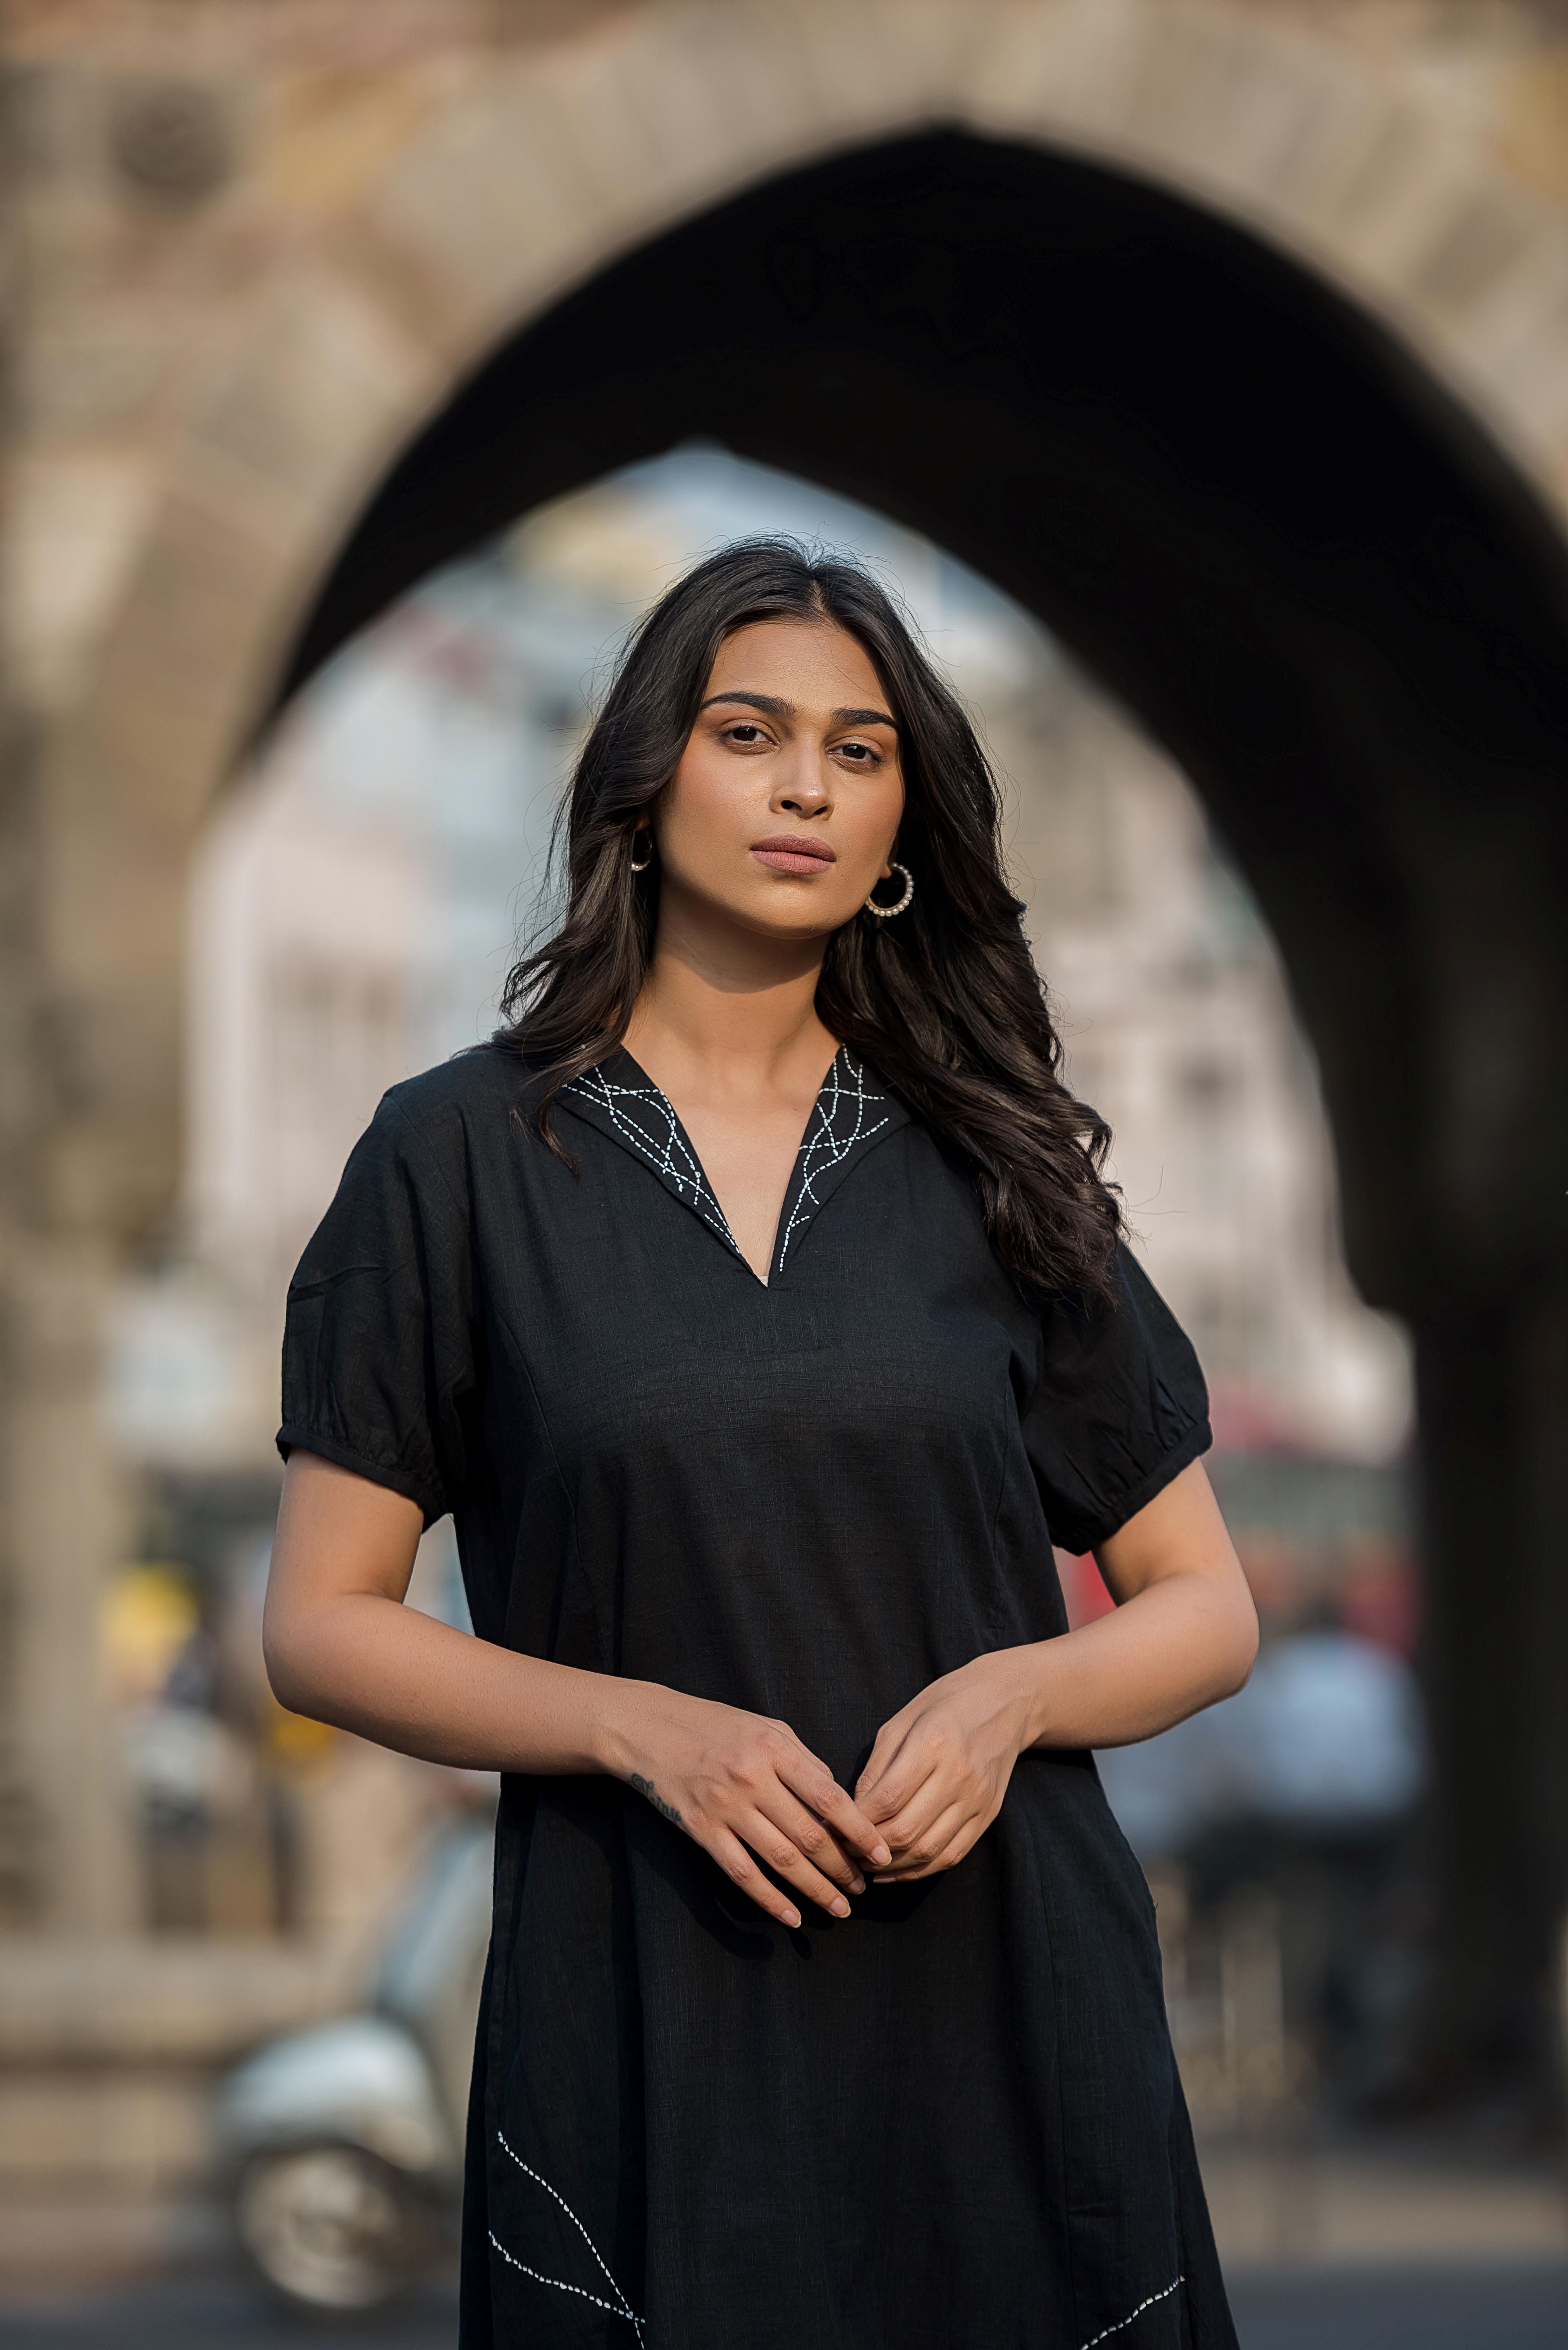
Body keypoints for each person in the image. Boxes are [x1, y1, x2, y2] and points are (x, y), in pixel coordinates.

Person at [264, 541, 1258, 2349]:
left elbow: (1202, 1604)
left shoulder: (992, 1157)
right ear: (646, 781)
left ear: (903, 825)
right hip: (643, 1999)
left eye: (862, 750)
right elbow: (322, 1621)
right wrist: (644, 1728)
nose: (809, 784)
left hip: (1012, 2002)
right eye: (751, 731)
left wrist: (1016, 1695)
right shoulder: (458, 1157)